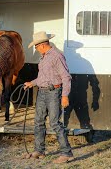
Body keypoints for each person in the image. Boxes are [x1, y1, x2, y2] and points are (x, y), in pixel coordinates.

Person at [23, 31, 74, 164]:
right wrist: (32, 83)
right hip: (42, 92)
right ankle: (39, 150)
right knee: (38, 121)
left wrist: (65, 96)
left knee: (55, 123)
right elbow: (42, 77)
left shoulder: (57, 56)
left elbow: (66, 77)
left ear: (41, 45)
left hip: (54, 92)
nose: (36, 49)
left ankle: (66, 153)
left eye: (36, 46)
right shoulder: (44, 57)